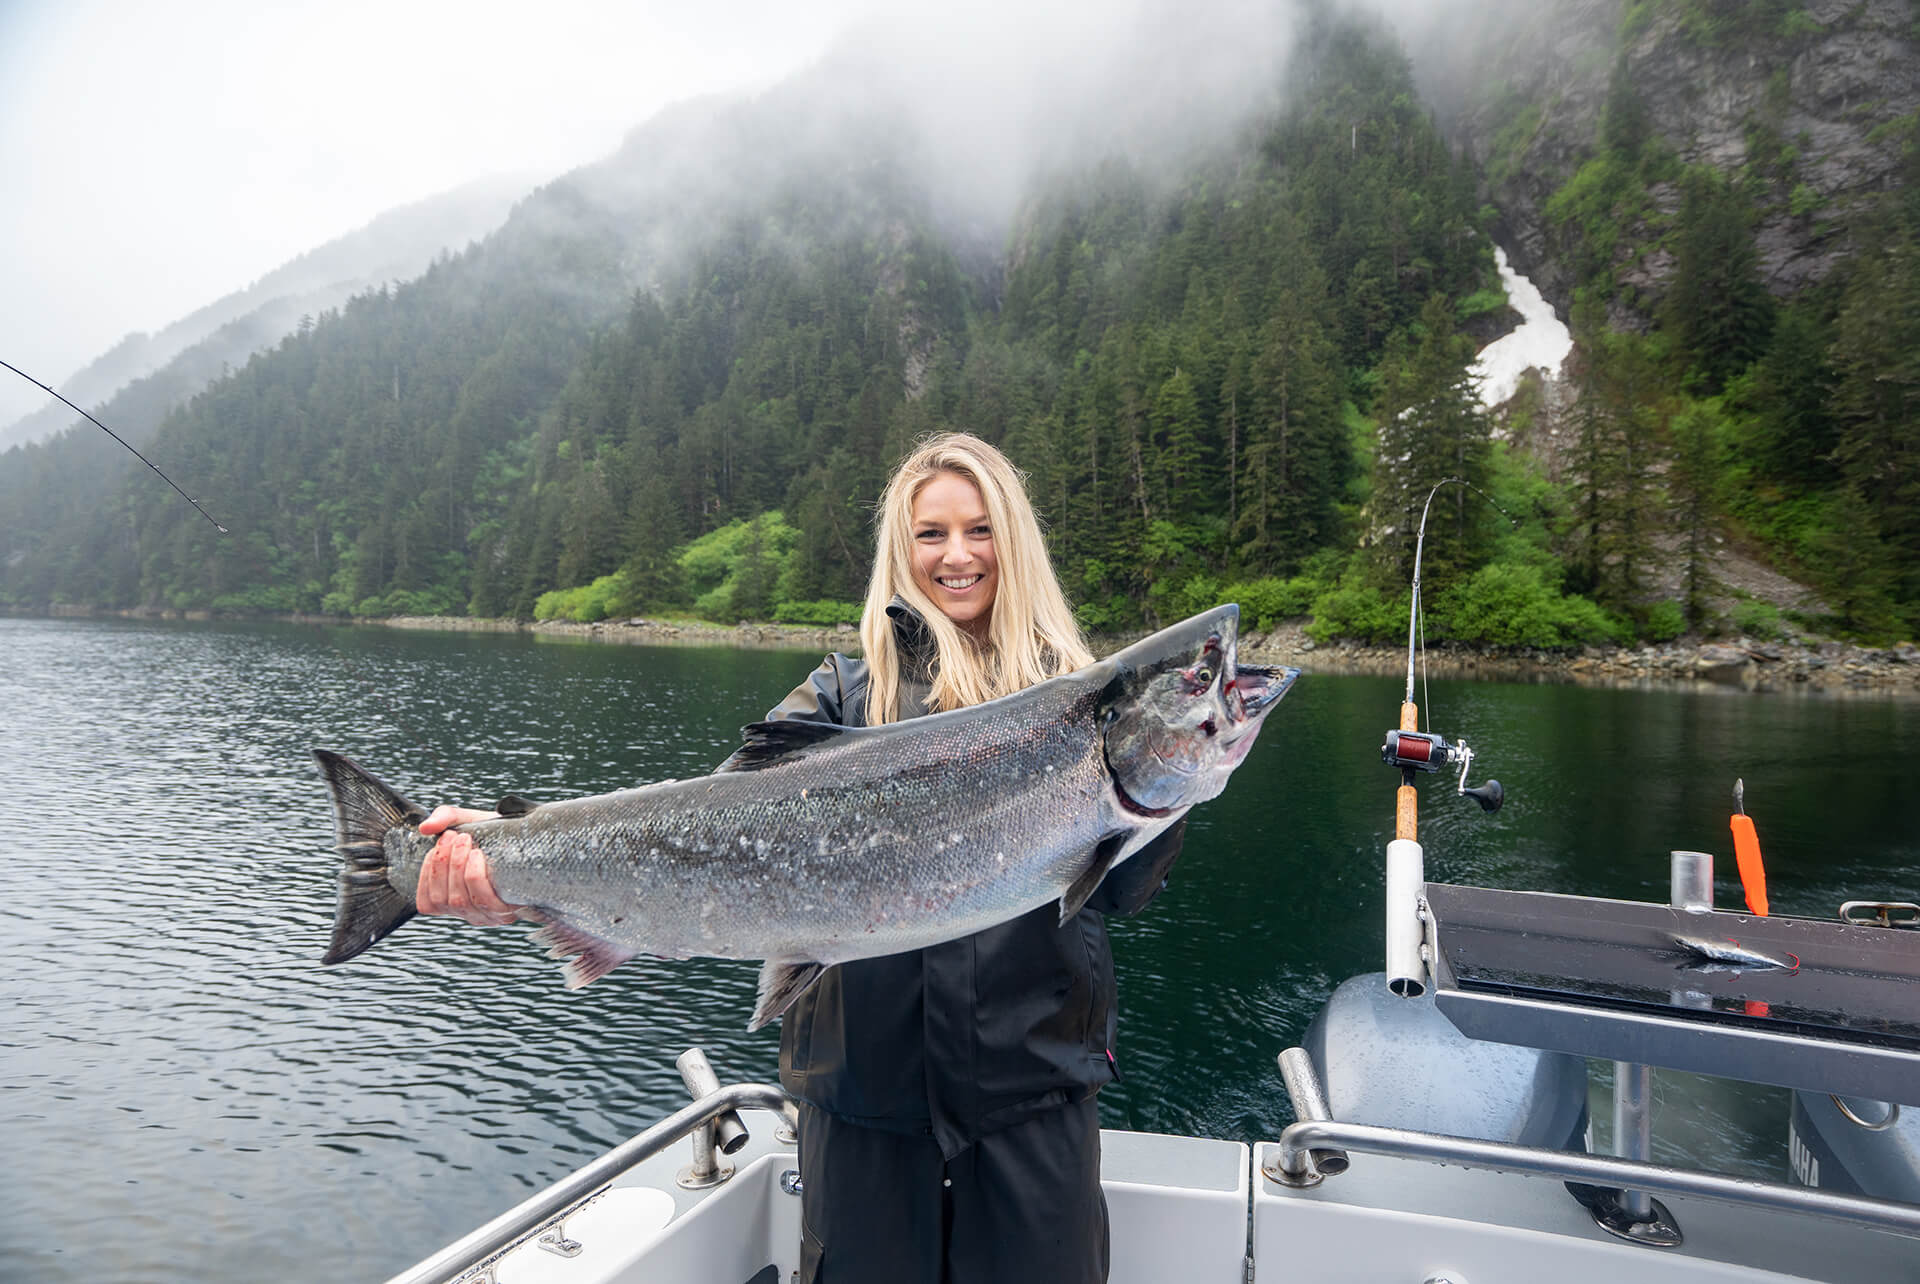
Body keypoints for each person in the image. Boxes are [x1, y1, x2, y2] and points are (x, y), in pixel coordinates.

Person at [414, 432, 1185, 1283]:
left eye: (980, 529)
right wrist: (506, 851)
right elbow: (701, 829)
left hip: (1035, 1104)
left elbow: (1123, 894)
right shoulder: (840, 695)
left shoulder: (1090, 704)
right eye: (931, 533)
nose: (957, 555)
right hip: (860, 1109)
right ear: (903, 550)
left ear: (1016, 540)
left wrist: (1168, 774)